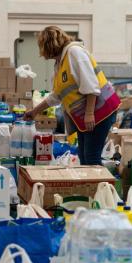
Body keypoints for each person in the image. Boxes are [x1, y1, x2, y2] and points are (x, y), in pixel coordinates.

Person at [24, 26, 121, 165]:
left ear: (49, 45)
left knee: (91, 157)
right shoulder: (60, 63)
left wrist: (88, 114)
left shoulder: (74, 53)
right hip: (87, 116)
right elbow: (56, 96)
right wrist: (34, 112)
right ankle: (91, 186)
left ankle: (101, 186)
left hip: (100, 111)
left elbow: (91, 84)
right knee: (83, 156)